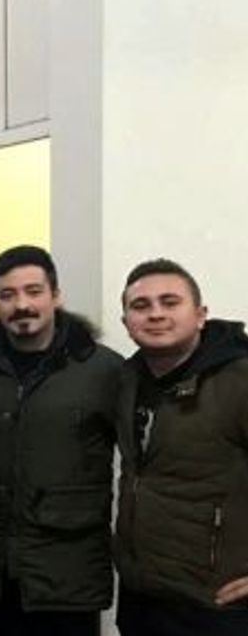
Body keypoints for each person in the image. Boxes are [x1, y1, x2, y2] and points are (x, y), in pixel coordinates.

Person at [0, 246, 121, 636]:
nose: (21, 305)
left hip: (68, 576)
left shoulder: (103, 370)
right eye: (7, 295)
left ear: (56, 295)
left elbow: (147, 466)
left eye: (33, 291)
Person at [114, 259, 248, 636]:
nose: (155, 314)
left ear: (201, 315)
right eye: (141, 306)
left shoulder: (239, 380)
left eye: (170, 302)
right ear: (126, 322)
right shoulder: (126, 380)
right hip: (143, 600)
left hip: (217, 607)